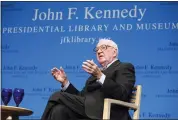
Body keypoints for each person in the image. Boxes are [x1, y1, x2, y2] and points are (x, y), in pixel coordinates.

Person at [41, 38, 136, 120]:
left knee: (57, 95)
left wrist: (100, 76)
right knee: (59, 110)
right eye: (97, 49)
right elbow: (81, 97)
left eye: (104, 47)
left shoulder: (124, 67)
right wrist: (65, 82)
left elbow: (122, 93)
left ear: (114, 52)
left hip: (107, 112)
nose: (99, 51)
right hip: (88, 110)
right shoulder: (95, 73)